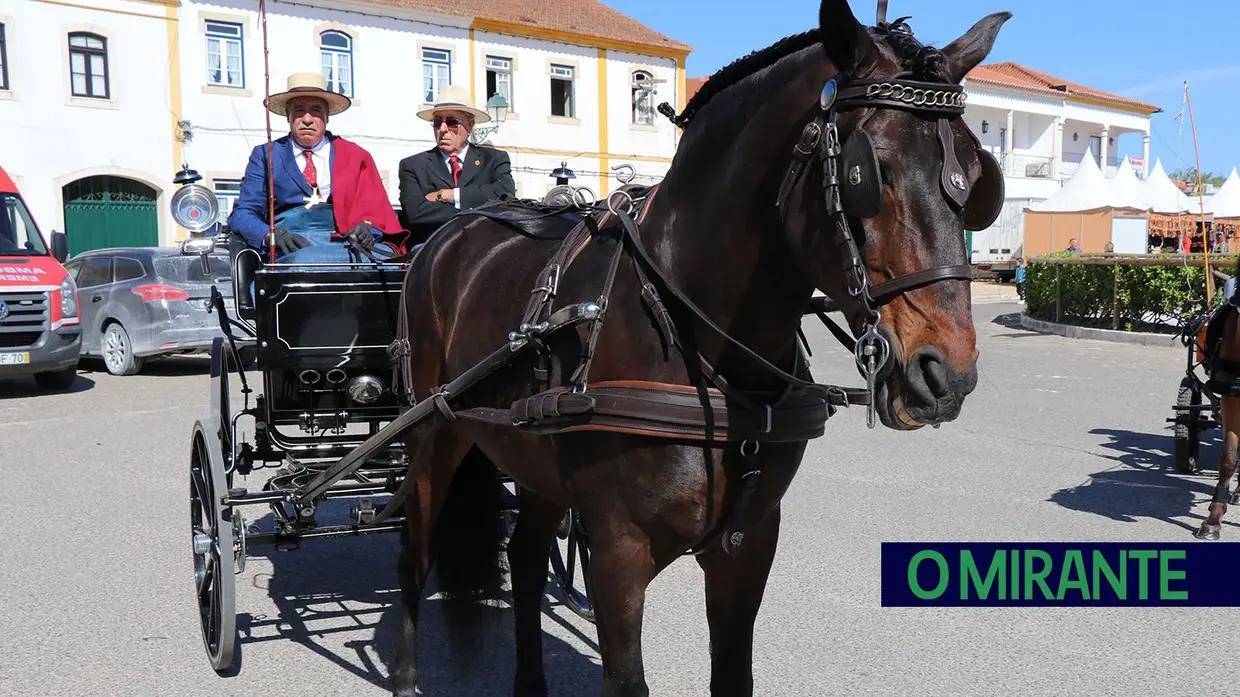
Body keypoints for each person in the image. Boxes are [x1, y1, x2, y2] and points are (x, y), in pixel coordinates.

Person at [228, 72, 408, 262]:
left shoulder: (356, 156)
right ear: (288, 117)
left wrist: (368, 228)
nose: (307, 119)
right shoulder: (266, 155)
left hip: (348, 243)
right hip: (290, 246)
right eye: (298, 111)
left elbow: (376, 210)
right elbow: (242, 213)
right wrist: (271, 236)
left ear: (326, 117)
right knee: (301, 262)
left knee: (389, 265)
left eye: (315, 111)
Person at [398, 85, 516, 242]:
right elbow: (415, 212)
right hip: (431, 247)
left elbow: (506, 196)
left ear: (470, 125)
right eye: (437, 122)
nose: (443, 129)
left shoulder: (494, 159)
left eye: (452, 122)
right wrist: (479, 210)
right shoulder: (413, 166)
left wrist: (449, 195)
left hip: (485, 246)